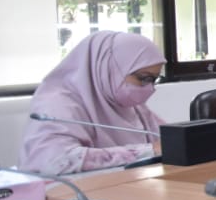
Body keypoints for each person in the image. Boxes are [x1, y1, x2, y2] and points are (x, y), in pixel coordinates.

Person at [20, 31, 165, 175]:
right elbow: (54, 160)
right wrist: (147, 151)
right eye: (144, 78)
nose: (150, 88)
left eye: (154, 80)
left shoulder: (131, 105)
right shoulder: (56, 103)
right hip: (67, 188)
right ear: (108, 68)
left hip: (120, 183)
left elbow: (166, 140)